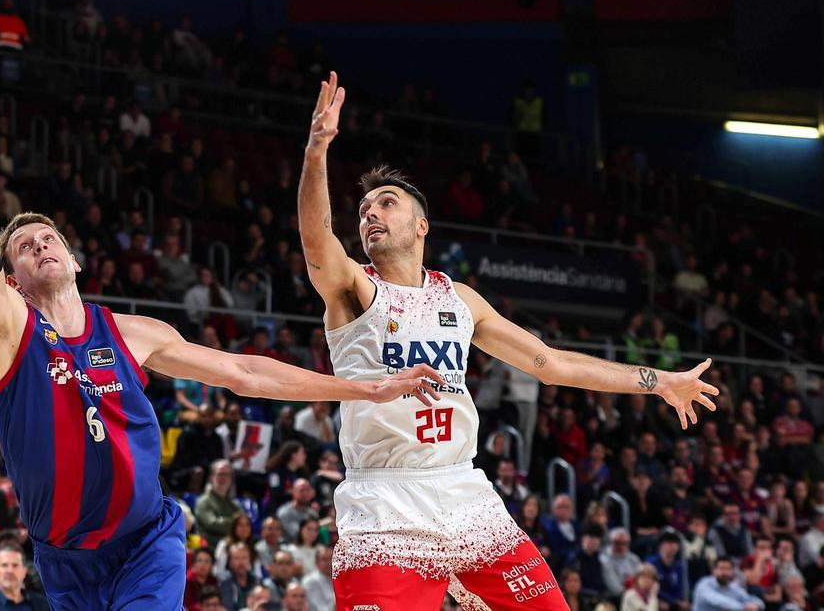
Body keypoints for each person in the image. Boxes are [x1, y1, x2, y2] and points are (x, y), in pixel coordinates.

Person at [0, 27, 436, 611]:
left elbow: (243, 372)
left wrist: (363, 389)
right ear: (10, 282)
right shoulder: (8, 335)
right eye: (25, 247)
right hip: (64, 558)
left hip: (148, 539)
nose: (41, 246)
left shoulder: (130, 333)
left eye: (50, 238)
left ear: (74, 260)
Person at [296, 71, 720, 611]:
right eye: (364, 210)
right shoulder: (354, 289)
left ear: (422, 225)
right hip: (385, 502)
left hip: (465, 495)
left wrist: (660, 382)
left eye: (386, 203)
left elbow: (550, 363)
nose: (371, 213)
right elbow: (316, 240)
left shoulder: (462, 299)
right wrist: (317, 150)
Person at [691, 557, 764, 611]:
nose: (725, 572)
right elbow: (719, 601)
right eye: (722, 568)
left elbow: (750, 598)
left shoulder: (733, 587)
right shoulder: (704, 584)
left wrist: (757, 605)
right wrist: (743, 607)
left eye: (728, 569)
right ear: (714, 570)